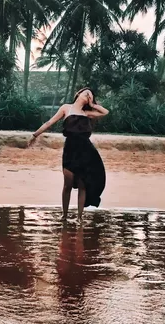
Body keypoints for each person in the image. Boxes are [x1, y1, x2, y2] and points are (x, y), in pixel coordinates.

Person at [26, 88, 108, 223]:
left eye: (90, 96)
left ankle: (79, 217)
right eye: (85, 93)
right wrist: (35, 135)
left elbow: (105, 112)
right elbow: (49, 123)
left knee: (83, 185)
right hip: (70, 150)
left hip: (86, 152)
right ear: (78, 94)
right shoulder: (66, 108)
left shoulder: (87, 113)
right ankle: (64, 215)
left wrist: (93, 105)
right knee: (67, 184)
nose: (88, 95)